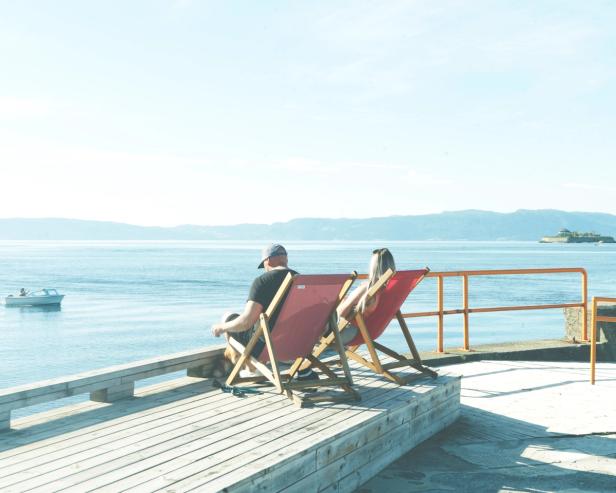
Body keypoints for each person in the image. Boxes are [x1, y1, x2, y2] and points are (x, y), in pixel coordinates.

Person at [211, 244, 317, 381]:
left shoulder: (262, 282)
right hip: (298, 346)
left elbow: (246, 322)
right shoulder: (302, 281)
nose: (265, 269)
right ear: (285, 259)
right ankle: (302, 370)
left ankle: (253, 369)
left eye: (264, 266)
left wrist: (220, 327)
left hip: (268, 347)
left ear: (268, 260)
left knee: (228, 317)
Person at [335, 248, 396, 344]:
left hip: (343, 332)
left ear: (373, 267)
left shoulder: (366, 288)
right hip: (363, 332)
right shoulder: (387, 290)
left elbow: (340, 314)